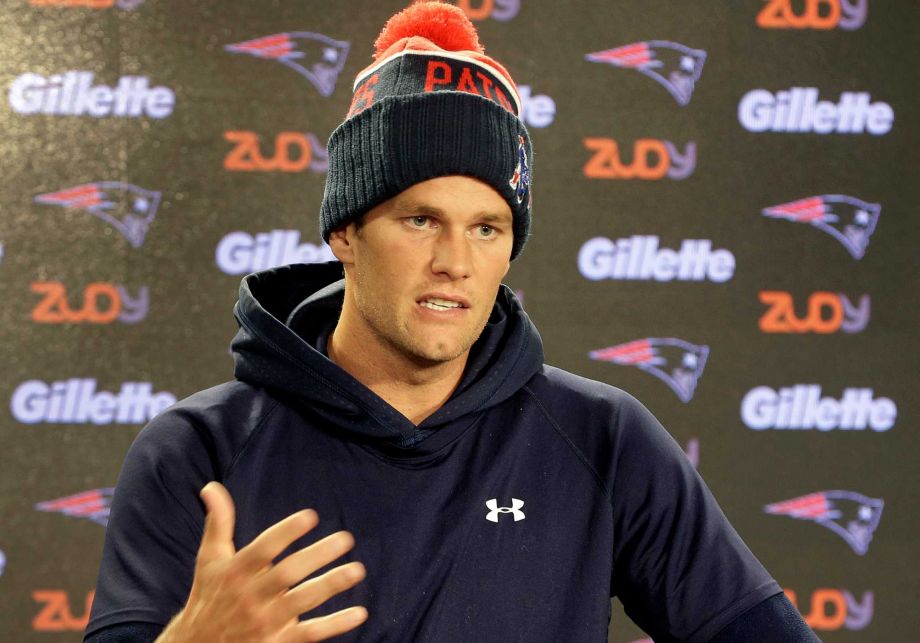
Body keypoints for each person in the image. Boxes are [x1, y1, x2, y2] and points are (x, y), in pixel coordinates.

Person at [85, 3, 820, 641]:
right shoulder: (197, 453)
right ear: (346, 231)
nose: (454, 261)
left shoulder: (603, 438)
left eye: (488, 228)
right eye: (420, 219)